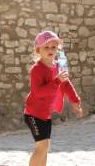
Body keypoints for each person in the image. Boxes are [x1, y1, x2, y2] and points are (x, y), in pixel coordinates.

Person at [24, 30, 83, 166]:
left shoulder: (58, 66)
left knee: (45, 148)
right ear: (38, 50)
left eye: (53, 47)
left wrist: (75, 101)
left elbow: (66, 84)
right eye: (46, 47)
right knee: (42, 147)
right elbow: (38, 92)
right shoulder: (36, 70)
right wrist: (57, 81)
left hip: (45, 114)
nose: (50, 50)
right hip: (33, 114)